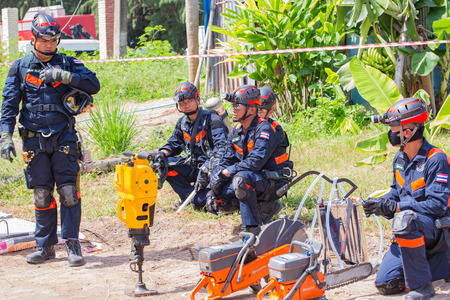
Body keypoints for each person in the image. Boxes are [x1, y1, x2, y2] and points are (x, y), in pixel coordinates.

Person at [0, 13, 100, 267]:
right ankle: (45, 247)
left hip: (63, 136)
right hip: (33, 140)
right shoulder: (20, 67)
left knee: (68, 192)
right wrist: (4, 137)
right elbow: (9, 106)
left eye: (53, 40)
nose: (48, 44)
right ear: (33, 39)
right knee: (42, 195)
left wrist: (65, 77)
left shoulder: (67, 63)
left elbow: (94, 84)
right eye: (44, 40)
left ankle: (72, 245)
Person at [362, 98, 449, 300]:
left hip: (435, 227)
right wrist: (381, 203)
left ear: (407, 133)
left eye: (394, 130)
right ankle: (436, 265)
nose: (390, 134)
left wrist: (397, 207)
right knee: (386, 283)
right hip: (412, 229)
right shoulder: (400, 158)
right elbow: (396, 191)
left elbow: (437, 205)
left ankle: (422, 287)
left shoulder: (436, 159)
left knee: (405, 219)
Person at [206, 84, 293, 234]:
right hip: (252, 177)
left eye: (238, 106)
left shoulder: (265, 129)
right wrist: (211, 189)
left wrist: (225, 173)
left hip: (272, 180)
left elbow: (254, 163)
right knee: (213, 190)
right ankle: (262, 207)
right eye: (233, 105)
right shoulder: (235, 131)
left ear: (252, 110)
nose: (233, 109)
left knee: (240, 180)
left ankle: (251, 229)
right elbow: (225, 161)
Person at [155, 82, 228, 209]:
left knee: (203, 199)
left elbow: (221, 148)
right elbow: (174, 143)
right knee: (165, 164)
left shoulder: (212, 119)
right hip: (194, 167)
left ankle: (204, 198)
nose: (186, 105)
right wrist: (162, 153)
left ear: (198, 100)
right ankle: (188, 197)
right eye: (182, 103)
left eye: (190, 101)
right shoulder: (182, 122)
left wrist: (207, 168)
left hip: (212, 169)